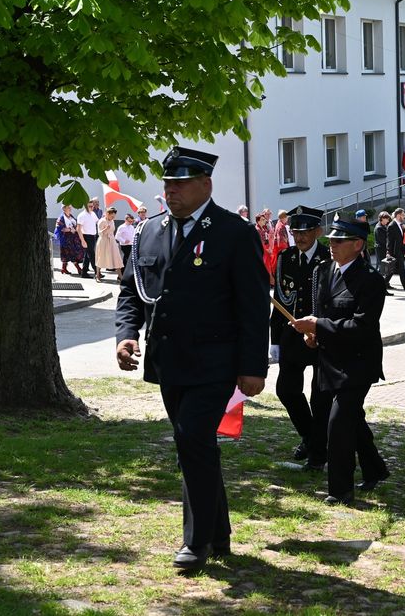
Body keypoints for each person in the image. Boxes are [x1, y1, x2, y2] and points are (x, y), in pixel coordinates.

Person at [115, 146, 269, 572]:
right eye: (168, 183)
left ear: (206, 185)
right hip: (170, 361)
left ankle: (196, 542)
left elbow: (254, 305)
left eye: (181, 183)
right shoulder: (149, 231)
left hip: (215, 362)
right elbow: (132, 290)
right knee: (196, 447)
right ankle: (219, 534)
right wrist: (126, 336)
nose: (172, 191)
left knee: (191, 441)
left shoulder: (233, 232)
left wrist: (254, 365)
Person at [291, 215, 389, 505]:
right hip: (328, 360)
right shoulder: (324, 271)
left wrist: (318, 327)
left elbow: (362, 327)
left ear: (358, 245)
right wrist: (314, 335)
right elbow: (321, 312)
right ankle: (375, 468)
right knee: (352, 419)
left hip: (357, 364)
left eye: (339, 240)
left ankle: (340, 489)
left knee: (339, 423)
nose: (331, 244)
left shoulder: (371, 281)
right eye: (331, 239)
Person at [270, 206, 332, 470]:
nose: (300, 237)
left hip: (320, 336)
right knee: (286, 390)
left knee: (320, 398)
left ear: (318, 231)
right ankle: (310, 437)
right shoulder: (286, 257)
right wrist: (274, 339)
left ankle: (318, 455)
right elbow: (281, 299)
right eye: (295, 231)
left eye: (305, 231)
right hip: (293, 334)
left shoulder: (328, 257)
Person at [95, 207, 125, 281]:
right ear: (108, 214)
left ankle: (120, 277)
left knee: (116, 257)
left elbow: (112, 231)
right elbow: (99, 233)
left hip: (111, 241)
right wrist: (105, 229)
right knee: (101, 257)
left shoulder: (112, 221)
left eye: (114, 216)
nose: (113, 218)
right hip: (103, 241)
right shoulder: (101, 221)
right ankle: (97, 275)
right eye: (112, 216)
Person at [387, 208, 405, 294]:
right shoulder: (392, 226)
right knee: (402, 271)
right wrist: (388, 253)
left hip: (400, 252)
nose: (404, 216)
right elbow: (389, 241)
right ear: (398, 215)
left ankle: (382, 286)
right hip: (395, 253)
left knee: (390, 272)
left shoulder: (402, 225)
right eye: (403, 215)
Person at [55, 204, 82, 275]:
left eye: (70, 207)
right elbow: (61, 228)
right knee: (70, 253)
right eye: (68, 208)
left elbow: (75, 225)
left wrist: (75, 229)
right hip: (66, 239)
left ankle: (64, 269)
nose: (70, 209)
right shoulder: (61, 218)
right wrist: (70, 229)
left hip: (73, 238)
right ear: (64, 209)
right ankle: (78, 269)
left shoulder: (71, 216)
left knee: (69, 253)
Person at [77, 201, 99, 279]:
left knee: (87, 255)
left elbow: (98, 222)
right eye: (89, 206)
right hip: (86, 236)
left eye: (92, 206)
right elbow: (78, 229)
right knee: (92, 255)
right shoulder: (82, 215)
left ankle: (84, 272)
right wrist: (82, 240)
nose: (91, 208)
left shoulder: (93, 214)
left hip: (93, 236)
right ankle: (97, 272)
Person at [374, 211, 394, 293]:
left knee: (384, 268)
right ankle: (382, 287)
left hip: (381, 249)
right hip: (381, 250)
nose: (388, 220)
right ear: (382, 218)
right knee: (383, 269)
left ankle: (384, 285)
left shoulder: (382, 226)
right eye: (387, 218)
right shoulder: (379, 228)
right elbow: (383, 241)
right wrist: (388, 250)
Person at [255, 209, 276, 283]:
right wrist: (267, 249)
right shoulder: (258, 229)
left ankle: (269, 281)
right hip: (263, 251)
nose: (264, 221)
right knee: (265, 267)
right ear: (258, 221)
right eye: (262, 220)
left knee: (268, 267)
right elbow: (261, 241)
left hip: (267, 249)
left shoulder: (263, 228)